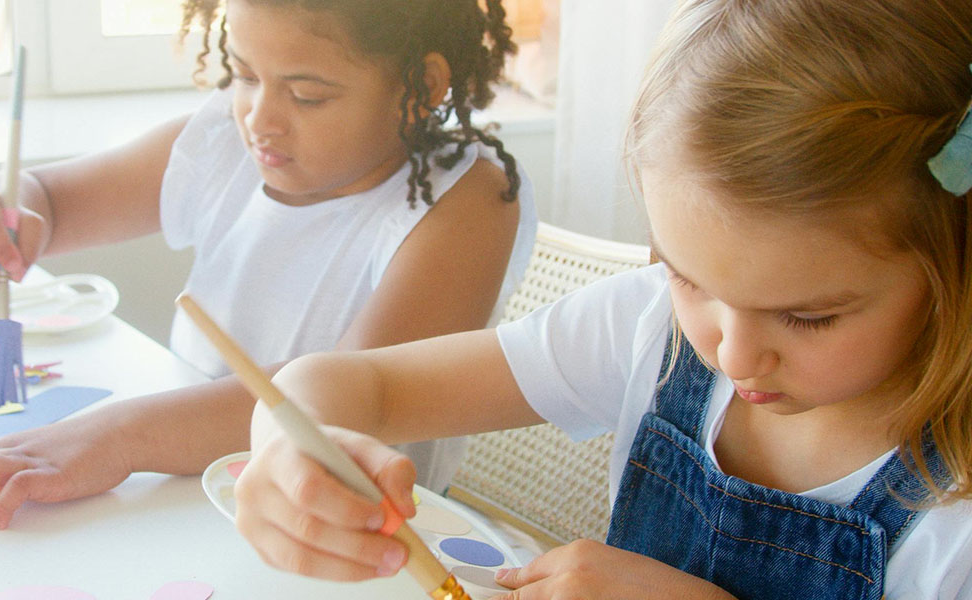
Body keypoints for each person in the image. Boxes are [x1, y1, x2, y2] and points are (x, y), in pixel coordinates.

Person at [231, 0, 972, 598]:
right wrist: (291, 442)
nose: (733, 353)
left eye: (809, 315)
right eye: (689, 276)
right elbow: (365, 385)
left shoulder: (953, 520)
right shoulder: (647, 327)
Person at [0, 0, 537, 528]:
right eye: (244, 75)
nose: (260, 119)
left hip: (344, 532)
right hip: (186, 493)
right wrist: (0, 205)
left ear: (423, 85)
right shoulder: (224, 142)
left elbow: (347, 401)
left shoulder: (468, 199)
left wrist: (113, 438)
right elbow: (51, 201)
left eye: (307, 95)